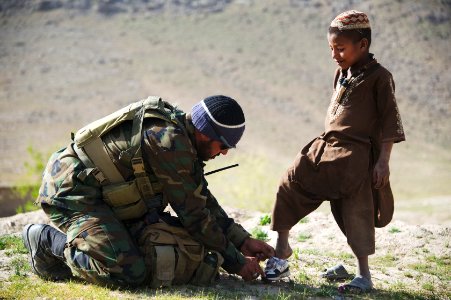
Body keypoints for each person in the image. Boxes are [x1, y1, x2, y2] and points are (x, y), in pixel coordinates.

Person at [23, 95, 275, 287]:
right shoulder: (169, 142)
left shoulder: (184, 141)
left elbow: (202, 199)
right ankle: (46, 242)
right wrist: (237, 262)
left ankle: (97, 241)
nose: (224, 153)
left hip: (107, 196)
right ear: (204, 133)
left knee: (149, 255)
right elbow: (194, 215)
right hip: (73, 195)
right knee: (128, 273)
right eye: (223, 145)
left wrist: (242, 240)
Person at [270, 10, 405, 293]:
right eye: (331, 48)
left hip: (356, 156)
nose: (335, 55)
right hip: (325, 146)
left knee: (356, 211)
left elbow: (390, 120)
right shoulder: (342, 72)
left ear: (363, 45)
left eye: (340, 49)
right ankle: (281, 249)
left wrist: (383, 162)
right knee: (290, 181)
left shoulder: (380, 78)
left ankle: (364, 275)